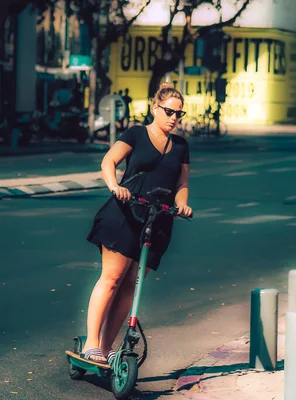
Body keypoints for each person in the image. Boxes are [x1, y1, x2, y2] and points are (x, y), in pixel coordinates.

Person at [82, 82, 193, 364]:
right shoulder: (136, 133)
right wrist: (114, 185)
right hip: (126, 212)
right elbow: (109, 161)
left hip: (157, 218)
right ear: (155, 108)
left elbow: (181, 183)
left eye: (179, 114)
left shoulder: (181, 146)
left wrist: (182, 203)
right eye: (169, 111)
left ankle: (106, 349)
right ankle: (91, 344)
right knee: (112, 278)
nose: (174, 118)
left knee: (130, 284)